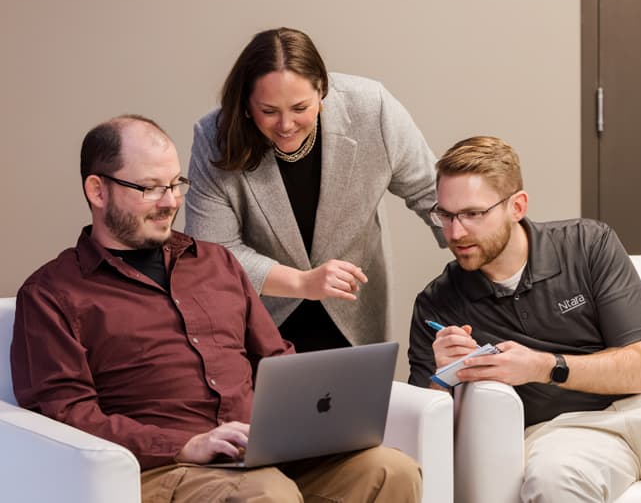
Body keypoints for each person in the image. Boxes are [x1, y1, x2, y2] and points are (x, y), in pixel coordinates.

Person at [11, 115, 421, 503]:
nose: (170, 202)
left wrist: (313, 420)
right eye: (150, 188)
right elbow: (66, 413)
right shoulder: (52, 294)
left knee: (391, 470)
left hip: (255, 451)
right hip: (160, 466)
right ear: (98, 190)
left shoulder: (216, 263)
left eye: (176, 184)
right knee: (266, 494)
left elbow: (275, 360)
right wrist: (184, 445)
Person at [408, 135, 641, 502]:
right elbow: (428, 434)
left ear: (517, 206)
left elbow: (638, 368)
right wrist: (445, 377)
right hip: (563, 430)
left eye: (473, 214)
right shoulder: (438, 303)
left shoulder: (587, 244)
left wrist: (542, 366)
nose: (455, 232)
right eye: (445, 214)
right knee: (552, 483)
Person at [185, 27, 443, 353]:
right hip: (261, 320)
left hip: (354, 316)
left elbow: (433, 194)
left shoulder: (372, 108)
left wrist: (482, 250)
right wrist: (302, 283)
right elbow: (212, 253)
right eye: (268, 111)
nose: (286, 125)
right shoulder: (215, 137)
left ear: (322, 91)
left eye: (299, 108)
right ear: (247, 104)